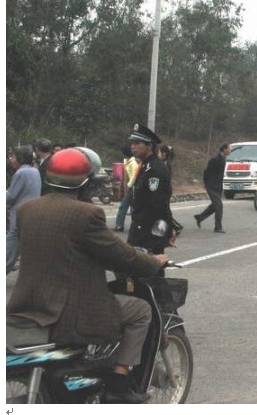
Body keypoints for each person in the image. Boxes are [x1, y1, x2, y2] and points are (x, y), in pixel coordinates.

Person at [6, 148, 168, 403]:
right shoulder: (86, 214)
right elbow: (120, 255)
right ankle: (119, 384)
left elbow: (61, 246)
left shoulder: (27, 209)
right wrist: (153, 262)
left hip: (30, 302)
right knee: (140, 310)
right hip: (70, 310)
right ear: (86, 183)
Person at [127, 124, 176, 258]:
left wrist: (167, 231)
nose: (133, 146)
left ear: (149, 146)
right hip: (141, 227)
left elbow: (159, 204)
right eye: (132, 143)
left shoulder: (154, 169)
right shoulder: (146, 165)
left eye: (137, 143)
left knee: (148, 266)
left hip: (148, 231)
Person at [6, 145, 41, 273]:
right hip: (31, 211)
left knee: (11, 241)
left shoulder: (21, 173)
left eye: (13, 157)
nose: (11, 159)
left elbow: (11, 196)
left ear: (20, 158)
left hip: (19, 212)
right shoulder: (34, 171)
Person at [195, 143, 231, 233]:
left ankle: (200, 217)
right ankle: (218, 227)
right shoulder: (215, 160)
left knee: (215, 205)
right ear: (224, 149)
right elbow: (206, 172)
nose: (230, 151)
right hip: (211, 186)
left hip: (218, 186)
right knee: (219, 206)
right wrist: (206, 184)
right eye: (229, 149)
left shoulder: (223, 160)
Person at [114, 145, 139, 232]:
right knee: (133, 208)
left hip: (133, 188)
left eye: (123, 153)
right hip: (129, 187)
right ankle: (123, 225)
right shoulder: (126, 161)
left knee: (124, 206)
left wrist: (128, 186)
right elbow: (126, 175)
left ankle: (119, 226)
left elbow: (134, 176)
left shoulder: (133, 163)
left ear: (126, 154)